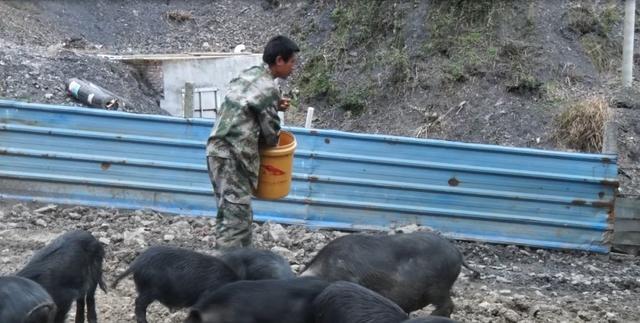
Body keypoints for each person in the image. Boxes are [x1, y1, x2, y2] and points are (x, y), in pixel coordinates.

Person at [206, 35, 300, 249]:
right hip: (233, 158)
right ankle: (224, 276)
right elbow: (271, 136)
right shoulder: (268, 88)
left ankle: (246, 269)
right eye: (292, 62)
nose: (293, 68)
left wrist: (273, 105)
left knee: (239, 215)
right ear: (279, 60)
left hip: (217, 152)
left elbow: (248, 105)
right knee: (234, 225)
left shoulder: (249, 75)